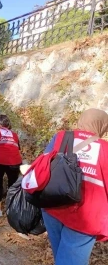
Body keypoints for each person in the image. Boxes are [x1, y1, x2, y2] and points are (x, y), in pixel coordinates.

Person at [41, 108, 108, 265]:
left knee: (62, 258)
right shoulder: (105, 148)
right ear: (103, 127)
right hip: (85, 217)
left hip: (53, 206)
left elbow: (42, 166)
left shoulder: (61, 137)